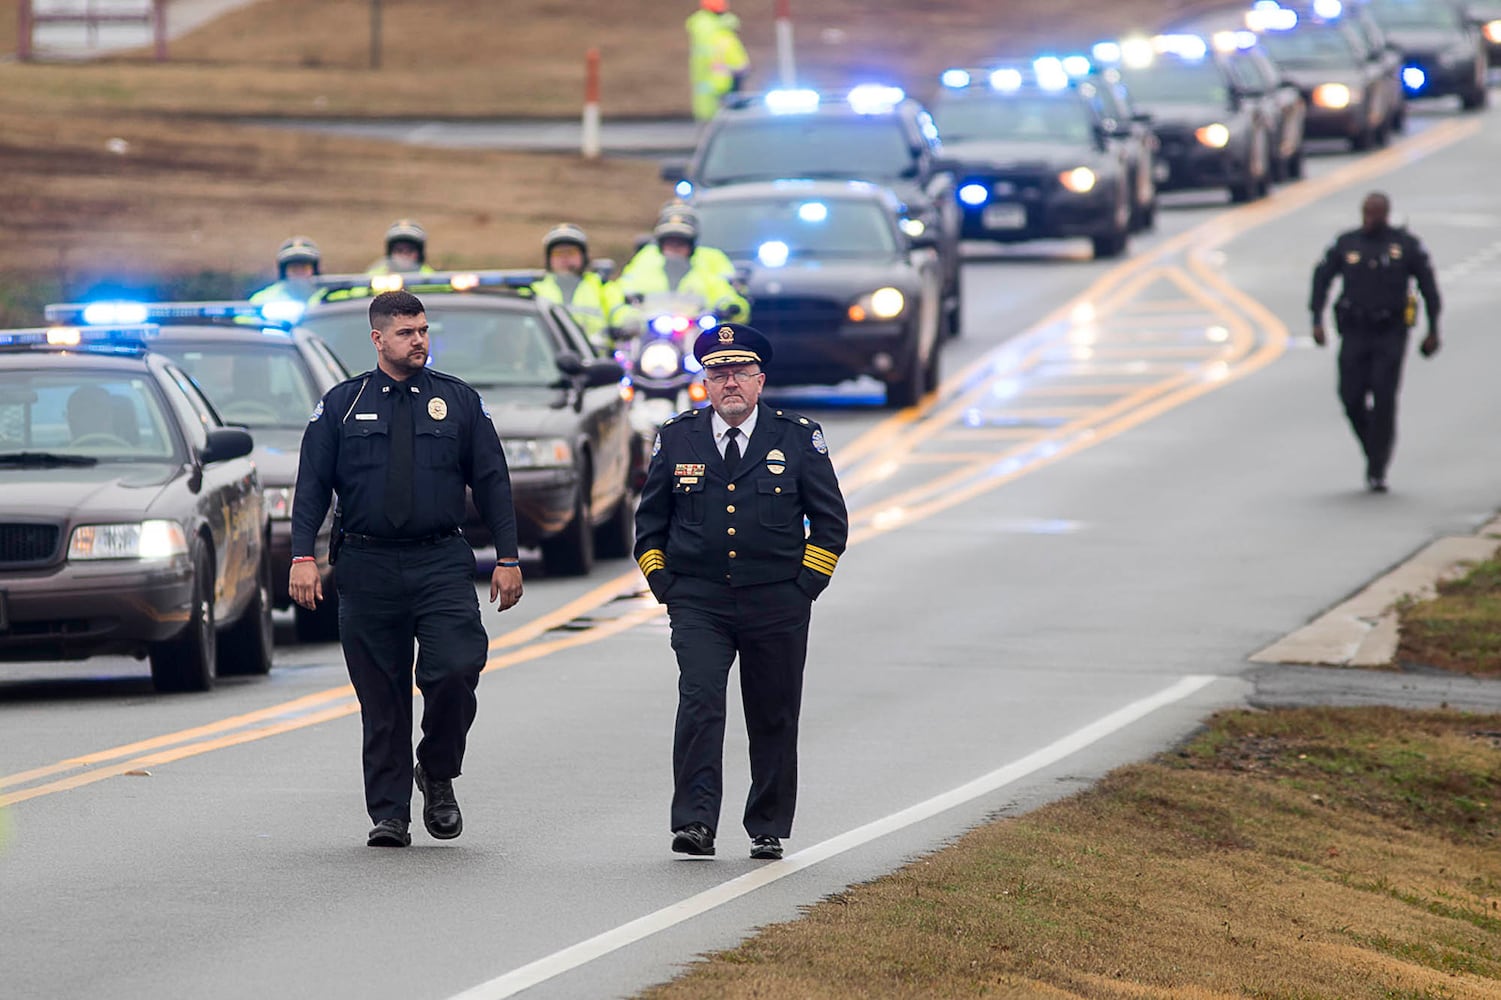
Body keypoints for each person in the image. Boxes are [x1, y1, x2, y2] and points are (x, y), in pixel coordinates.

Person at [289, 289, 524, 848]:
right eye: (405, 332)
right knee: (382, 695)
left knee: (456, 668)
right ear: (377, 339)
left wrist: (508, 557)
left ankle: (437, 771)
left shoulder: (458, 402)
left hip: (440, 558)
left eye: (422, 330)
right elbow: (311, 487)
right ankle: (389, 813)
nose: (419, 340)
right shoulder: (342, 404)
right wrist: (302, 555)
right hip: (366, 563)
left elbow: (493, 481)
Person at [633, 323, 848, 860]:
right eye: (718, 373)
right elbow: (649, 522)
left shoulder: (797, 437)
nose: (729, 383)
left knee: (773, 712)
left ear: (760, 381)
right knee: (700, 704)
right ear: (704, 381)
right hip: (699, 600)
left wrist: (805, 587)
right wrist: (666, 585)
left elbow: (830, 522)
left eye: (739, 373)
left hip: (777, 599)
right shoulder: (678, 436)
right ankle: (695, 824)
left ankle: (768, 825)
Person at [1310, 191, 1441, 493]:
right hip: (1355, 331)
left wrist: (1433, 329)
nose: (1369, 219)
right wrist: (1316, 320)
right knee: (1350, 396)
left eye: (1375, 214)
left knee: (1384, 398)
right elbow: (1322, 279)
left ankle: (1378, 466)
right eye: (1366, 213)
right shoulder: (1348, 243)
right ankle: (1373, 445)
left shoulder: (1404, 245)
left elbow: (1428, 287)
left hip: (1390, 332)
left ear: (1386, 214)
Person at [616, 212, 750, 328]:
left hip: (695, 336)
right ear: (661, 246)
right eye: (669, 242)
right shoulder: (645, 262)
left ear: (691, 246)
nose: (674, 248)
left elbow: (725, 295)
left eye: (680, 243)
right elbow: (622, 292)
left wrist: (729, 307)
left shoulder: (705, 269)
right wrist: (628, 314)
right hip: (652, 338)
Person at [530, 223, 622, 350]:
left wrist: (628, 324)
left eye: (571, 253)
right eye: (558, 254)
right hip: (549, 364)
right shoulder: (534, 291)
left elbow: (621, 311)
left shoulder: (603, 287)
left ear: (584, 257)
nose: (565, 259)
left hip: (597, 362)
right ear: (549, 259)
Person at [686, 0, 750, 122]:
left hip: (712, 84)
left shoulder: (702, 27)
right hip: (723, 84)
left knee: (711, 121)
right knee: (723, 120)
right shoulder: (723, 35)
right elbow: (739, 65)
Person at [249, 237, 322, 305]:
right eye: (294, 268)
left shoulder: (326, 295)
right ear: (284, 271)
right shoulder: (264, 299)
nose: (299, 271)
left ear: (314, 270)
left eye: (304, 267)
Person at [368, 219, 436, 276]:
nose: (404, 255)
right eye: (399, 250)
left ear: (420, 254)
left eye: (410, 250)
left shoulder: (430, 277)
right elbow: (359, 290)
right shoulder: (375, 276)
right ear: (390, 253)